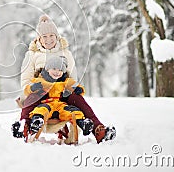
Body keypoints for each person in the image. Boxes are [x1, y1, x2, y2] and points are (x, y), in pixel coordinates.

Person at [12, 15, 116, 143]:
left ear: (57, 36)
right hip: (41, 93)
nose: (48, 39)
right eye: (44, 37)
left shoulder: (66, 53)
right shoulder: (32, 55)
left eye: (51, 36)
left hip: (62, 93)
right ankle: (24, 126)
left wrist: (73, 89)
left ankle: (98, 130)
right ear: (39, 39)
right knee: (31, 98)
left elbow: (72, 77)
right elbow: (25, 80)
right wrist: (32, 88)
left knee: (79, 99)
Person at [25, 56, 94, 136]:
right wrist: (32, 88)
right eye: (54, 69)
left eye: (60, 70)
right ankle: (36, 122)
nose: (57, 72)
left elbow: (74, 85)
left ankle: (83, 124)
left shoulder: (65, 81)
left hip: (60, 105)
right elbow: (27, 90)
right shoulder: (41, 80)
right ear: (47, 69)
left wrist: (79, 89)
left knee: (73, 111)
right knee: (41, 110)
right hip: (47, 104)